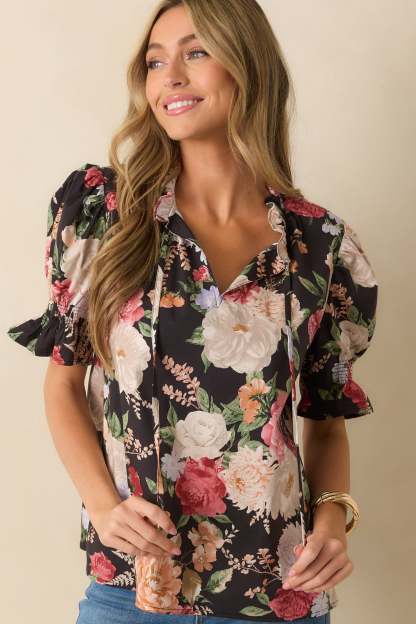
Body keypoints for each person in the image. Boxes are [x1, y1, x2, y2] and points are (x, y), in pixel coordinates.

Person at [6, 1, 378, 623]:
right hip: (133, 591)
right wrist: (103, 507)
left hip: (283, 594)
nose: (170, 76)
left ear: (248, 66)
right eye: (155, 62)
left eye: (196, 52)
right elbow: (64, 383)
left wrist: (335, 517)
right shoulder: (105, 215)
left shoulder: (320, 246)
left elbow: (325, 420)